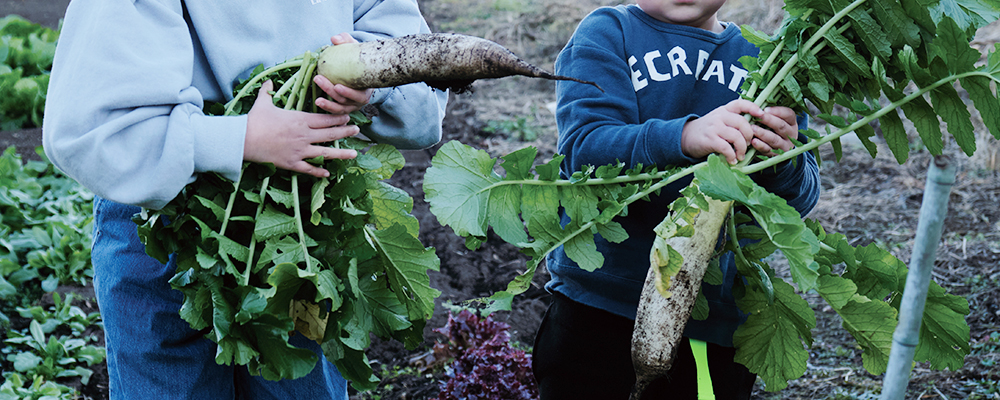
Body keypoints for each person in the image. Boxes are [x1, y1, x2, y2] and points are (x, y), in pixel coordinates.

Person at [42, 1, 447, 399]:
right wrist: (241, 138)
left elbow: (425, 98)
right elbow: (87, 132)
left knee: (298, 383)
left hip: (303, 230)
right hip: (163, 215)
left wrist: (370, 84)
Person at [532, 1, 820, 399]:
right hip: (600, 308)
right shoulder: (608, 32)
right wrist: (683, 138)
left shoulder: (770, 63)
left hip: (712, 326)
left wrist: (777, 158)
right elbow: (584, 151)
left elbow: (799, 199)